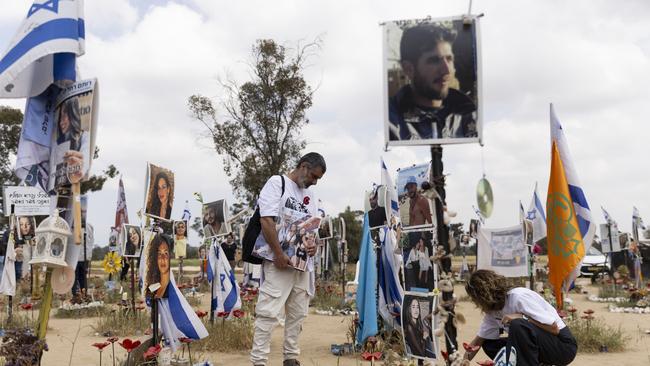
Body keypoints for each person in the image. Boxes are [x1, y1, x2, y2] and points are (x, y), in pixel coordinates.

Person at [250, 152, 326, 366]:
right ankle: (259, 361)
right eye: (313, 175)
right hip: (279, 261)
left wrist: (313, 247)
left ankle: (291, 358)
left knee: (297, 314)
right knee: (268, 312)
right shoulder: (277, 183)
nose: (314, 181)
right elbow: (266, 220)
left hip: (302, 265)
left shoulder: (311, 196)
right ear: (303, 166)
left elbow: (312, 228)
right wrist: (278, 254)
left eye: (317, 179)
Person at [464, 270, 577, 366]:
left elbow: (554, 328)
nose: (475, 302)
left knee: (517, 324)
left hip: (562, 347)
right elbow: (479, 340)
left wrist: (522, 317)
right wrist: (464, 360)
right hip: (542, 347)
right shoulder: (492, 310)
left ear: (483, 294)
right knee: (489, 343)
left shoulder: (518, 297)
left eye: (474, 298)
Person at [388, 23, 477, 141]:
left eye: (449, 59)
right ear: (408, 68)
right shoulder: (390, 120)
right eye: (434, 61)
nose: (446, 70)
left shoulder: (469, 115)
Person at [145, 234, 172, 299]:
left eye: (166, 253)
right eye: (159, 254)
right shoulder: (153, 284)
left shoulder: (172, 288)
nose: (163, 259)